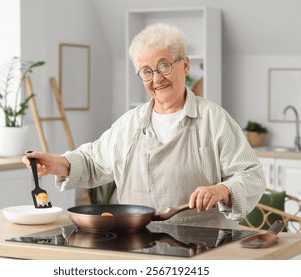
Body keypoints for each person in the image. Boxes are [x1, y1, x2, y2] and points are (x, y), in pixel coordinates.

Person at [22, 23, 266, 229]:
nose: (157, 79)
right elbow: (93, 162)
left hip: (203, 247)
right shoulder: (130, 123)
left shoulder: (214, 119)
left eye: (164, 66)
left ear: (185, 65)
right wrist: (57, 163)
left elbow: (251, 176)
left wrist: (223, 189)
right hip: (137, 246)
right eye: (147, 71)